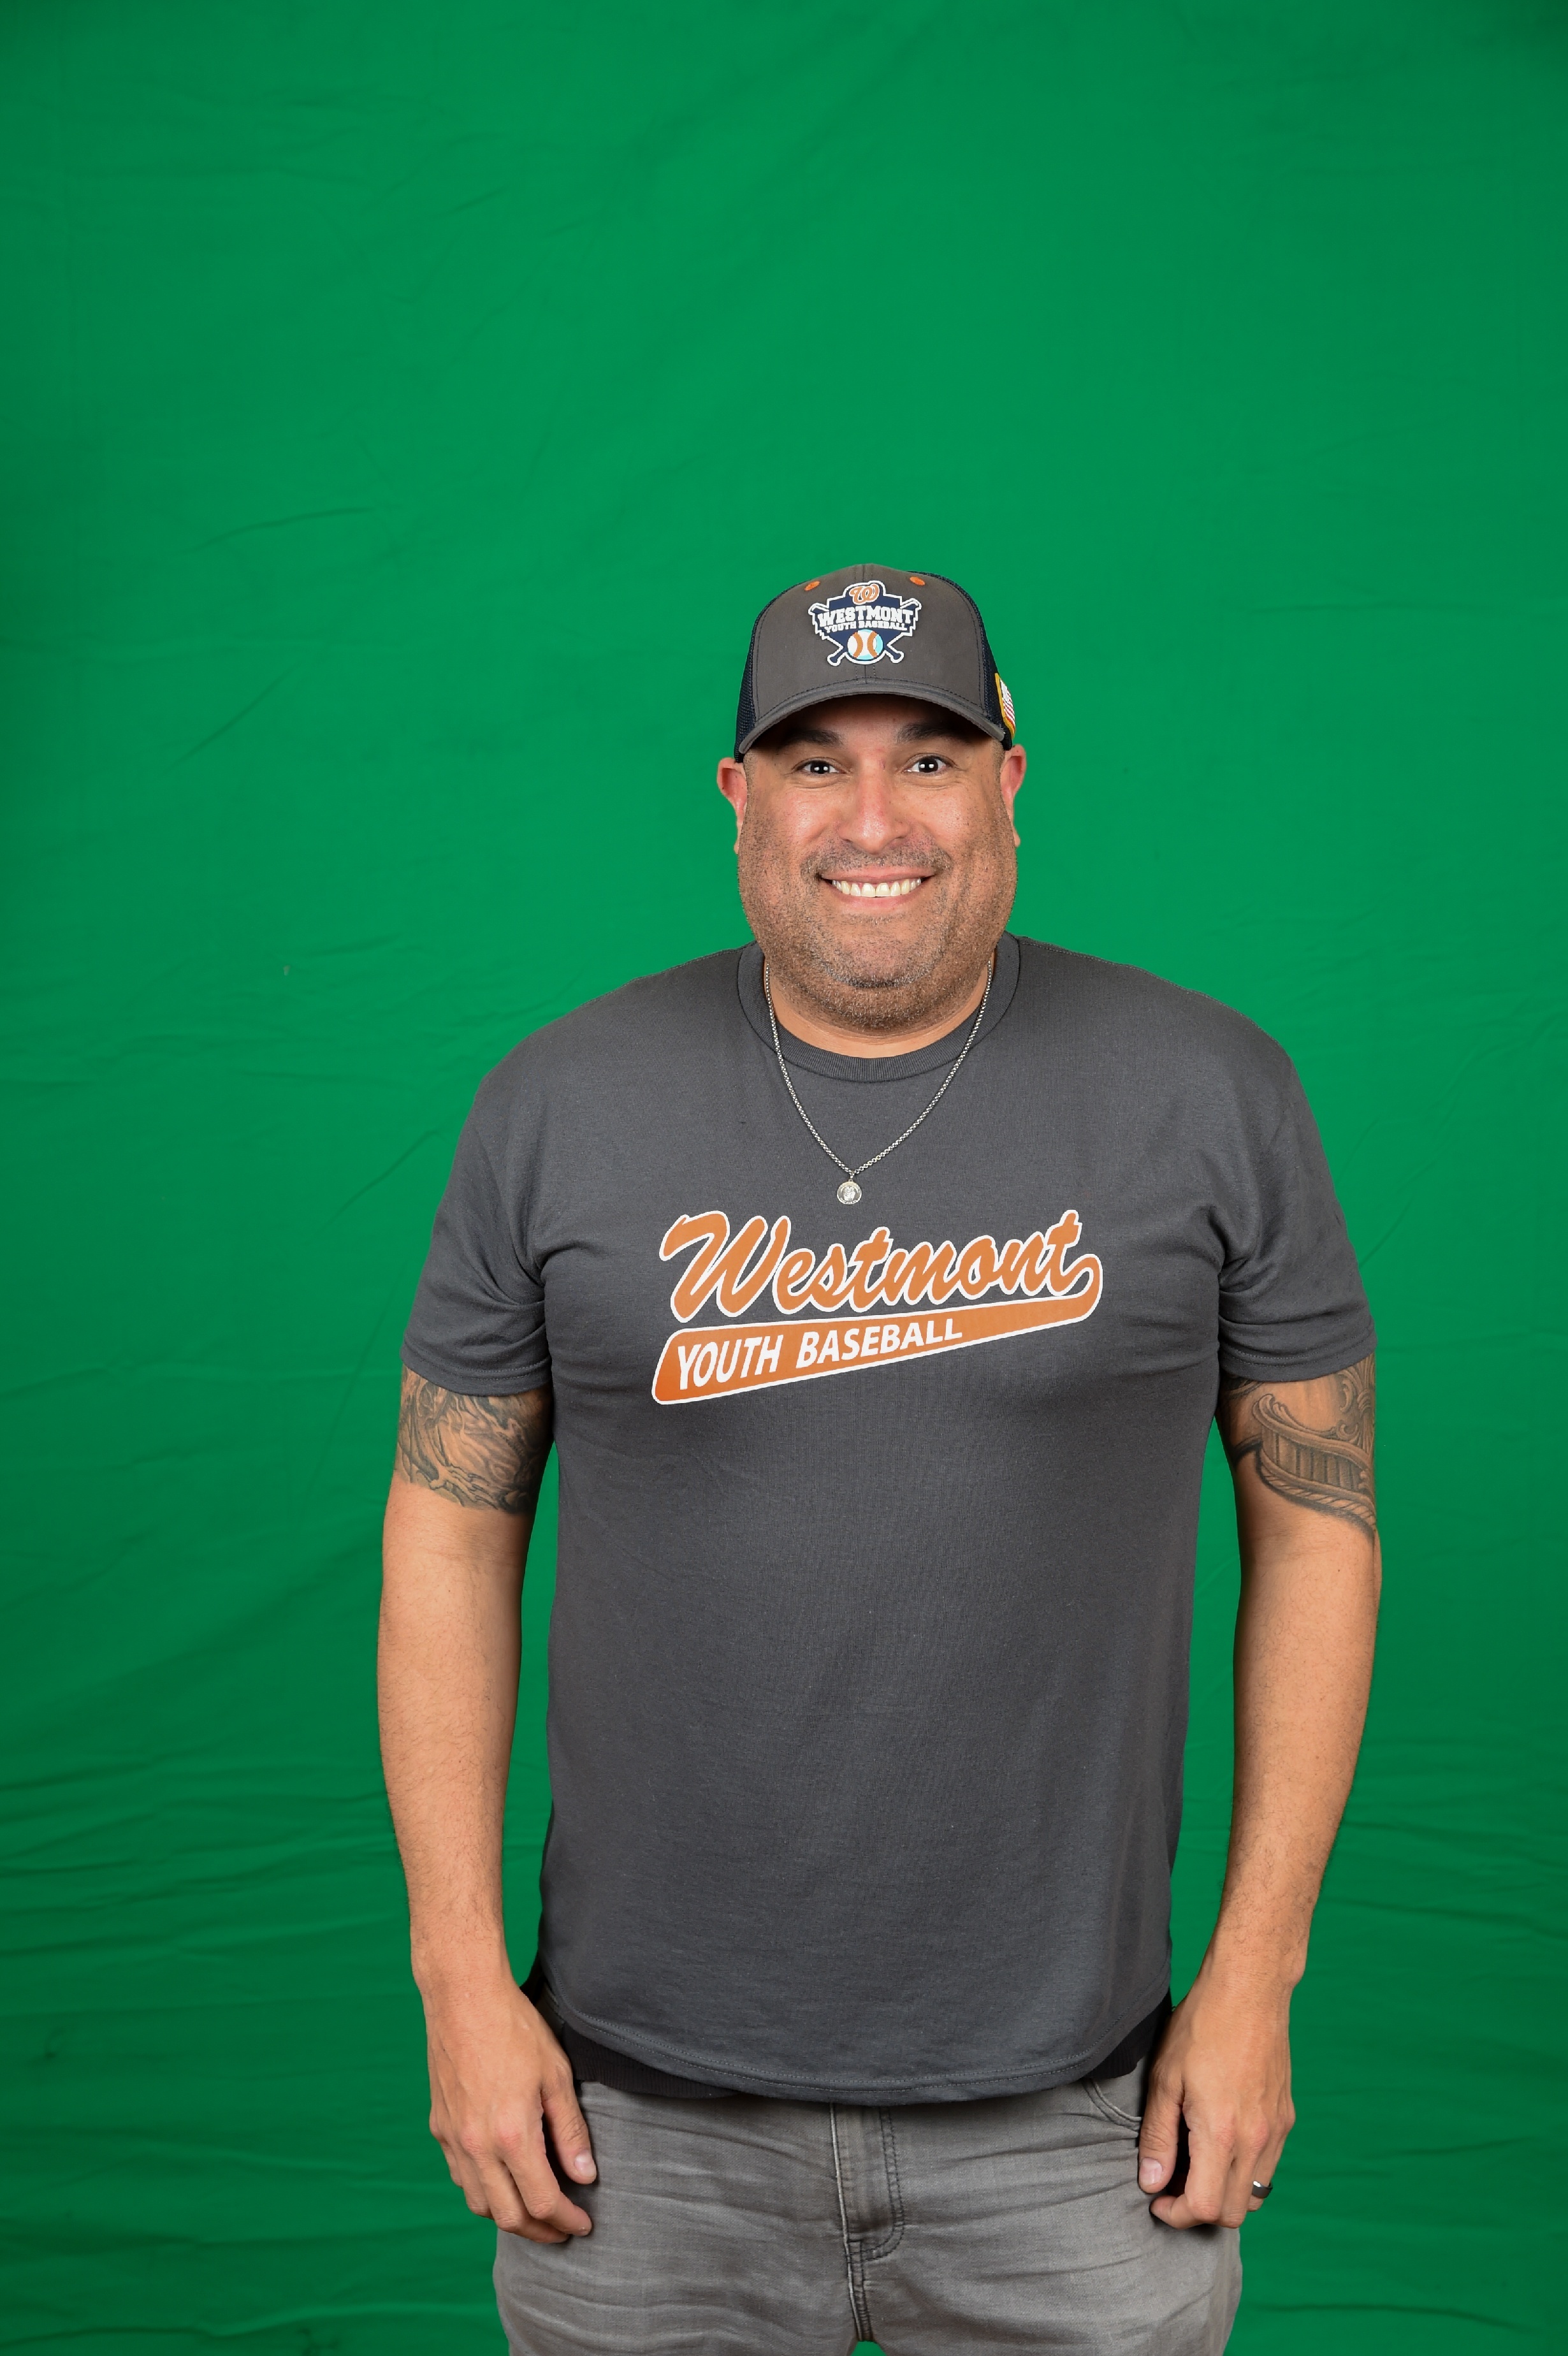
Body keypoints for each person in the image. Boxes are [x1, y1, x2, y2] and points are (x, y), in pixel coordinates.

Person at [379, 564, 1380, 2354]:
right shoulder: (554, 1104)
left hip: (1085, 2118)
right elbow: (450, 1528)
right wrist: (457, 1978)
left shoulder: (1212, 1091)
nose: (871, 820)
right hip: (629, 2128)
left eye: (927, 757)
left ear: (1009, 779)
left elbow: (1317, 1525)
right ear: (736, 795)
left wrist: (1255, 1980)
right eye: (812, 760)